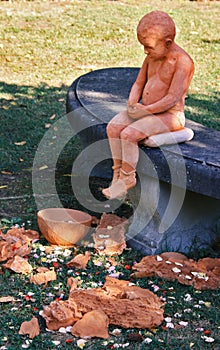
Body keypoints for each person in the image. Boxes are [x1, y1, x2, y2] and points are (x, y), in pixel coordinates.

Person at [102, 10, 194, 200]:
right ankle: (117, 174)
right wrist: (133, 102)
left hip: (170, 116)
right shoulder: (151, 57)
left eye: (149, 47)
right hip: (146, 110)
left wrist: (146, 110)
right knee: (113, 127)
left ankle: (128, 177)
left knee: (129, 134)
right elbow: (138, 83)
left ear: (168, 43)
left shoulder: (183, 63)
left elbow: (172, 98)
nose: (145, 51)